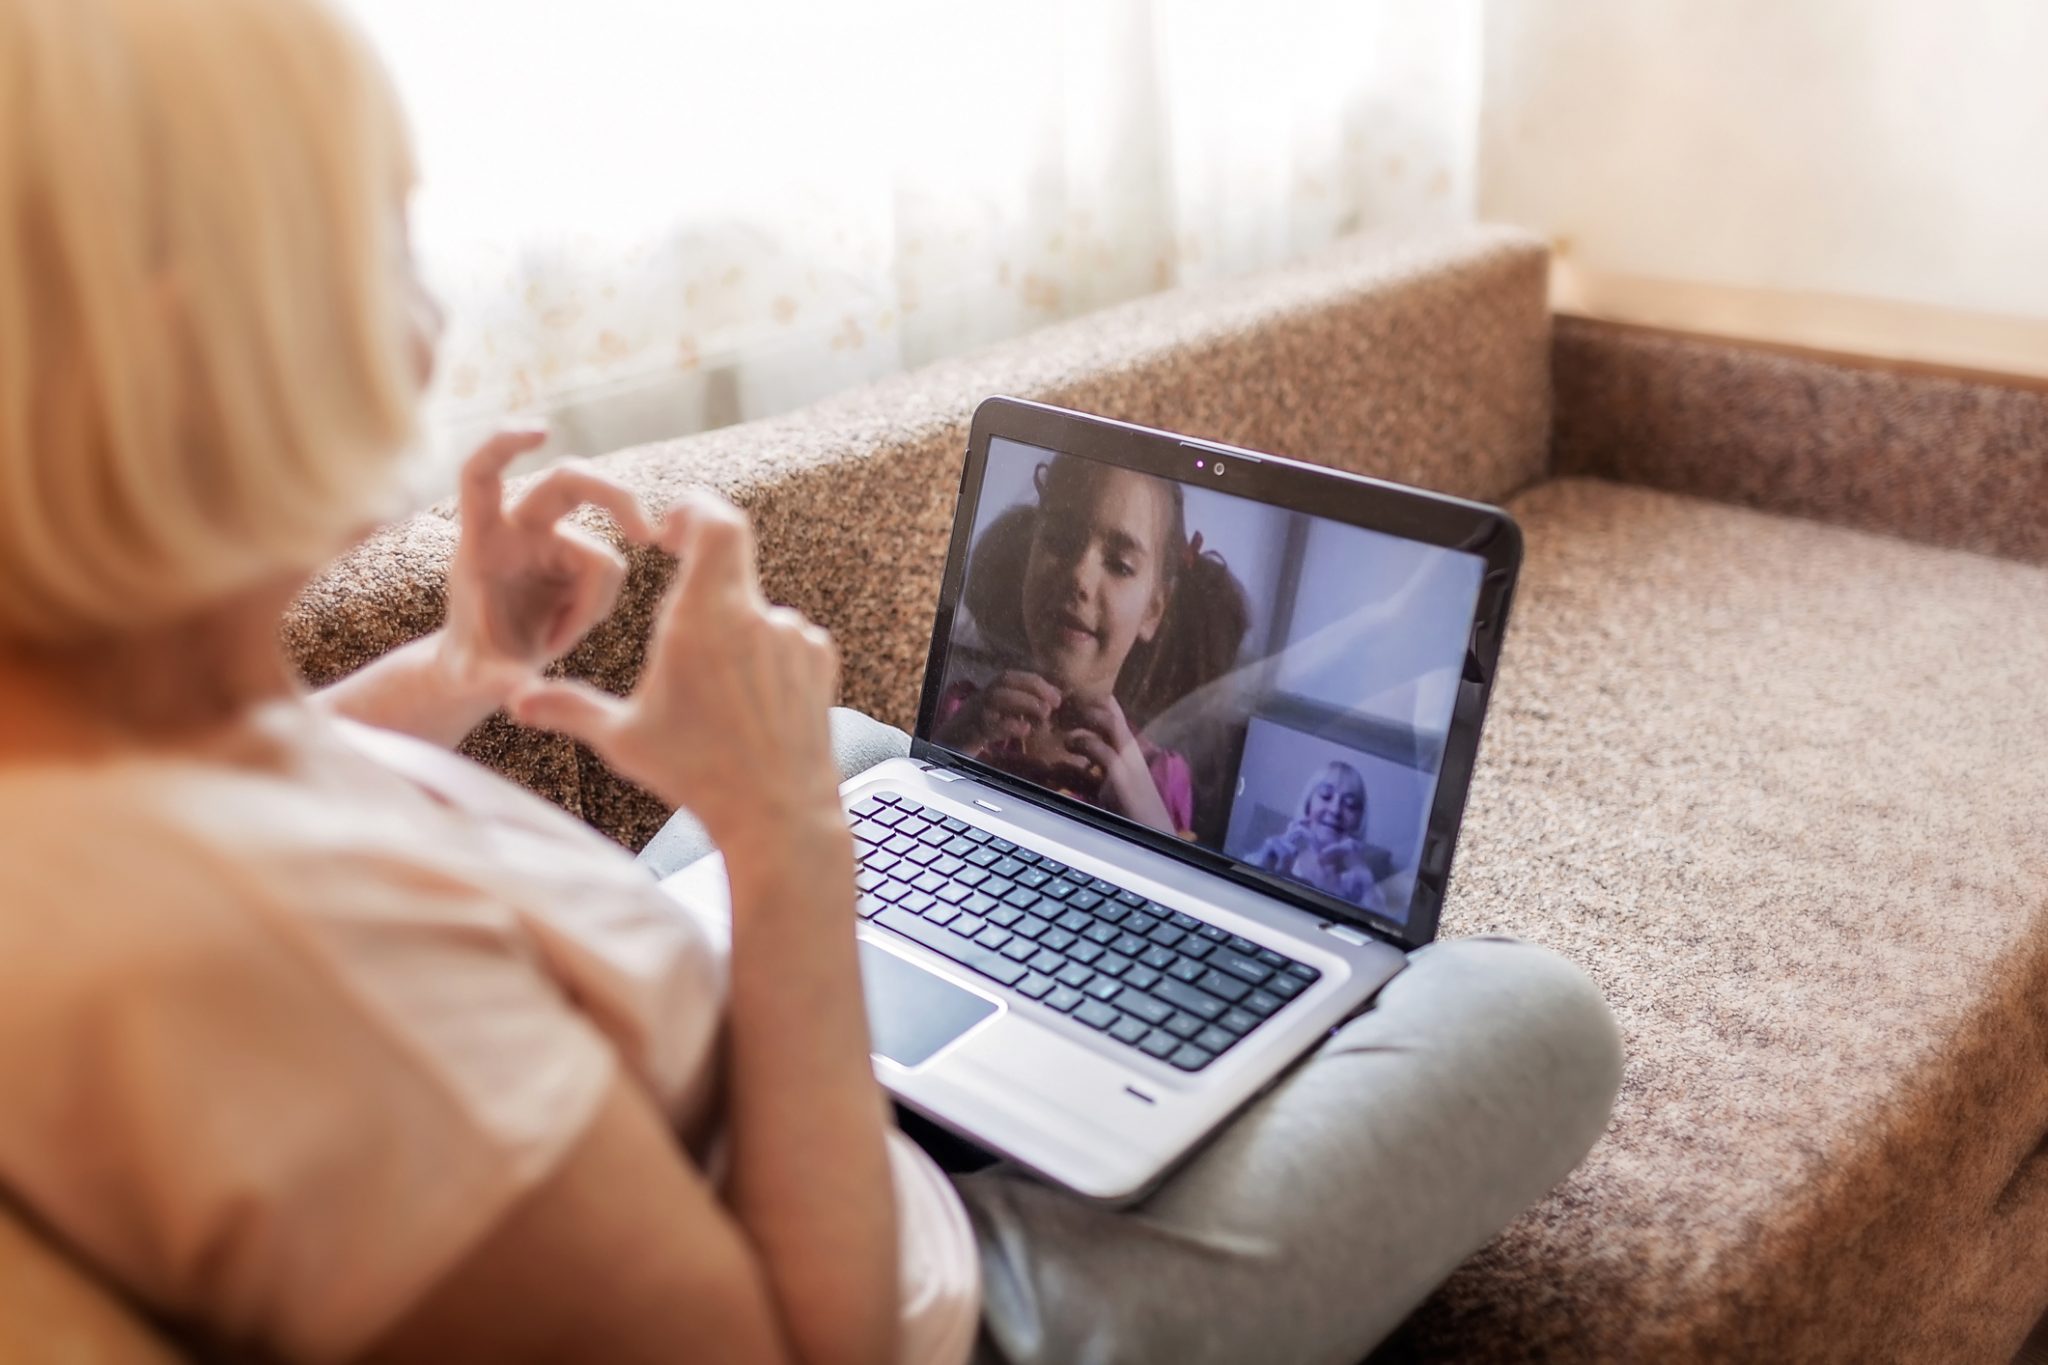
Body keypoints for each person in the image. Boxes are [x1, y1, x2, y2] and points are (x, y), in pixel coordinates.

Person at [0, 2, 1623, 1363]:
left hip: (705, 1085)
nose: (425, 328)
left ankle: (966, 986)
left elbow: (245, 783)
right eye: (377, 244)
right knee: (1529, 1012)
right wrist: (782, 846)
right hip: (931, 1294)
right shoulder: (319, 992)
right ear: (197, 342)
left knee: (868, 750)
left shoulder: (79, 756)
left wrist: (462, 669)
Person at [934, 455, 1247, 838]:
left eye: (1119, 564)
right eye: (1060, 540)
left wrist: (1153, 828)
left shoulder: (1158, 779)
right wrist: (951, 748)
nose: (1079, 576)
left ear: (1152, 610)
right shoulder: (964, 715)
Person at [1248, 760, 1390, 913]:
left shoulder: (1359, 885)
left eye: (1350, 804)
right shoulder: (1274, 858)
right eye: (1326, 796)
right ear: (1308, 805)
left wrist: (1367, 890)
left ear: (1359, 820)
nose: (1335, 810)